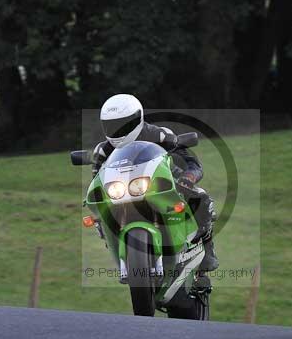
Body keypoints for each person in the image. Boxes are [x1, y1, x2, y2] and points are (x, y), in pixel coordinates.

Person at [91, 93, 218, 273]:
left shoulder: (159, 134)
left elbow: (191, 161)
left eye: (124, 124)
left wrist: (188, 178)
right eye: (112, 126)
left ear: (138, 119)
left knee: (202, 197)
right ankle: (116, 246)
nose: (118, 130)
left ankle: (207, 248)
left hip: (162, 180)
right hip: (121, 190)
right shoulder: (103, 150)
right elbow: (96, 177)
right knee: (99, 218)